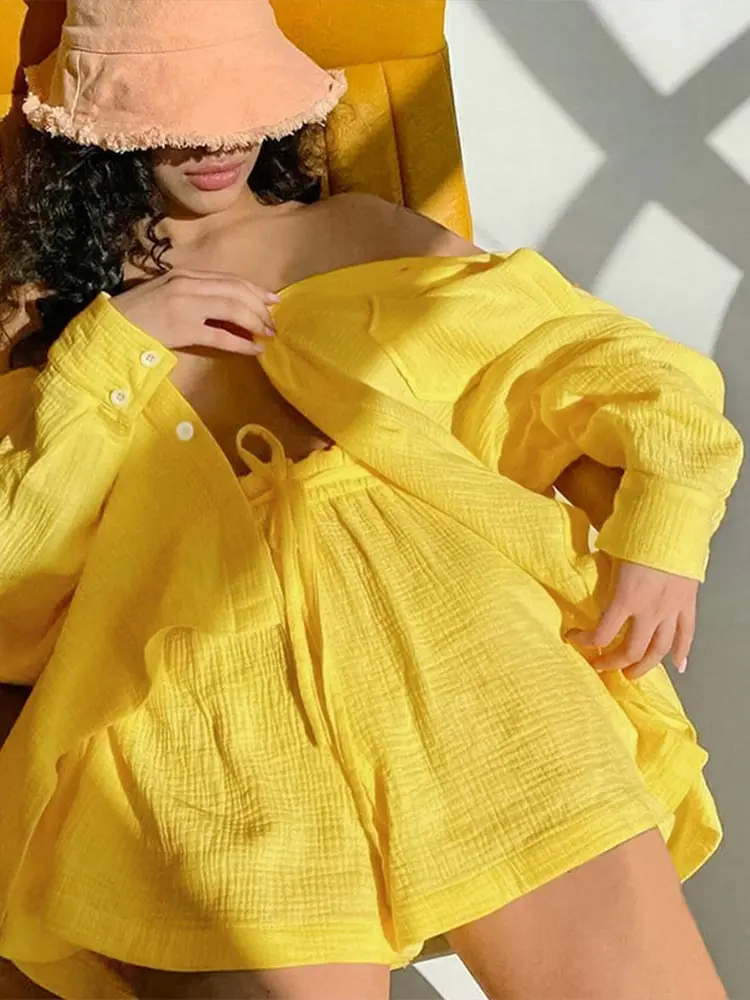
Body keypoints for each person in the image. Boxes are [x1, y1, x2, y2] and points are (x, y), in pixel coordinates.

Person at [0, 1, 743, 998]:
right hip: (199, 703)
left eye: (245, 103)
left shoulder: (359, 231)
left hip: (460, 643)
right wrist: (114, 349)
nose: (221, 143)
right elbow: (16, 566)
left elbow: (610, 364)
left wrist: (663, 533)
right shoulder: (48, 316)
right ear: (102, 124)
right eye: (181, 114)